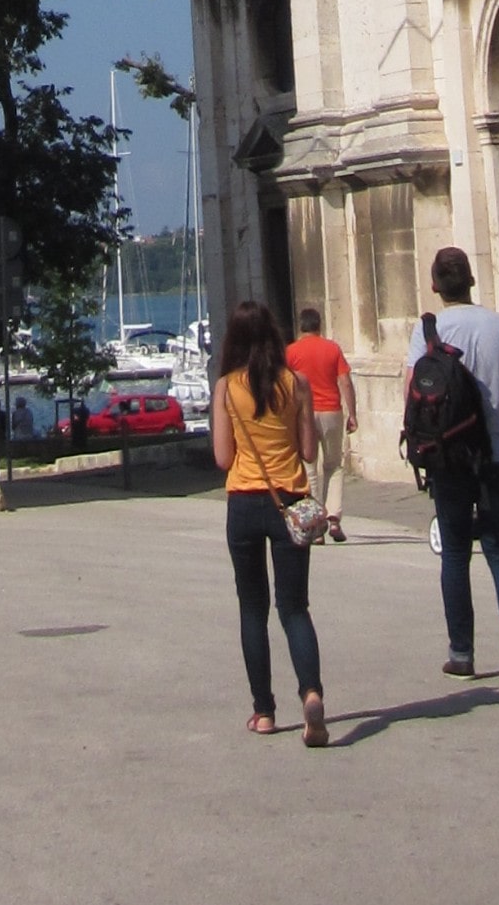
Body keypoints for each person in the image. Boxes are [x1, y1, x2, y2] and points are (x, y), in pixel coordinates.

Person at [405, 247, 499, 693]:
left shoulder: (428, 330)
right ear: (471, 282)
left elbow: (412, 395)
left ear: (435, 286)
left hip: (448, 455)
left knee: (456, 553)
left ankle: (461, 653)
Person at [211, 300, 329, 747]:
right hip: (290, 502)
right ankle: (311, 692)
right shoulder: (295, 383)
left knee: (251, 608)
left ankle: (263, 711)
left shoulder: (226, 388)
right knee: (294, 607)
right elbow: (309, 452)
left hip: (243, 501)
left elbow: (223, 458)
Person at [286, 307, 358, 540]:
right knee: (334, 465)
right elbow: (345, 381)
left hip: (304, 413)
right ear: (320, 325)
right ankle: (333, 517)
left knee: (309, 467)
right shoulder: (332, 349)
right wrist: (353, 414)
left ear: (301, 326)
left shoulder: (291, 352)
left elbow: (286, 383)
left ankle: (315, 525)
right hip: (331, 410)